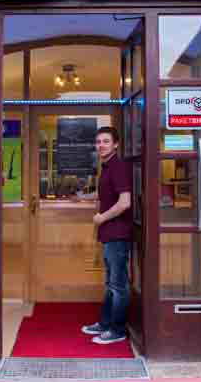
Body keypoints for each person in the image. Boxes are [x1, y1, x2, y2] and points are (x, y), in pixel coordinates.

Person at [81, 126, 132, 344]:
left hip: (117, 234)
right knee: (112, 283)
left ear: (116, 144)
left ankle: (117, 330)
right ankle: (105, 324)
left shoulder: (118, 167)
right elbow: (107, 194)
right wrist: (83, 197)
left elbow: (125, 202)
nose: (101, 145)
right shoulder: (107, 167)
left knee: (118, 286)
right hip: (110, 234)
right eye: (98, 141)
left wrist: (102, 217)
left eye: (106, 141)